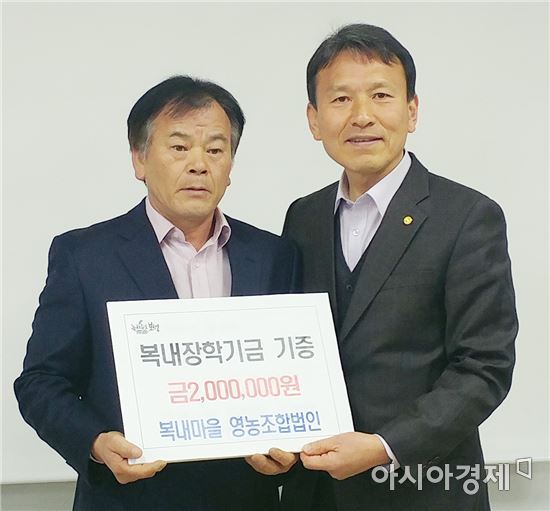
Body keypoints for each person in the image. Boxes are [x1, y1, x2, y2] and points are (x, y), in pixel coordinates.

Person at [14, 75, 298, 511]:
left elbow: (294, 378)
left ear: (230, 166)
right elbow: (40, 382)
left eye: (215, 150)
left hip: (244, 496)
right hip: (129, 497)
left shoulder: (275, 255)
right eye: (179, 147)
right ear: (139, 159)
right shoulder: (85, 256)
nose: (199, 164)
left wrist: (290, 451)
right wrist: (95, 443)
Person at [280, 23, 517, 510]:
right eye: (340, 99)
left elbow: (484, 367)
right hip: (315, 490)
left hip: (423, 490)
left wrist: (384, 447)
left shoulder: (467, 217)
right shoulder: (302, 217)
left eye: (381, 95)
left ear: (411, 111)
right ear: (313, 119)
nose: (361, 116)